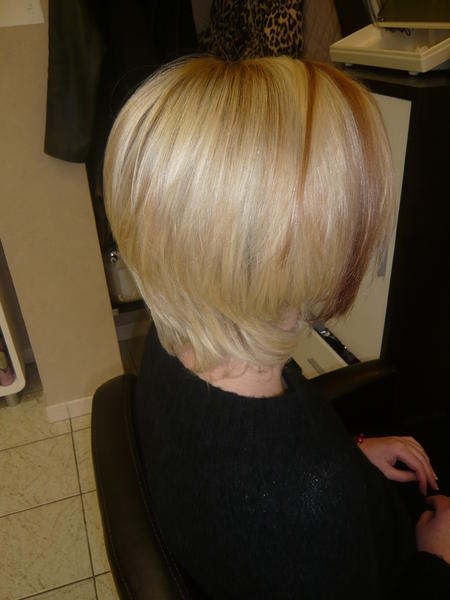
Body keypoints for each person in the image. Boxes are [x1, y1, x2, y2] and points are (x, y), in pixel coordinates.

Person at [103, 56, 450, 598]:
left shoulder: (177, 344)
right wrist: (435, 560)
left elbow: (273, 445)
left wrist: (351, 450)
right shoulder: (312, 513)